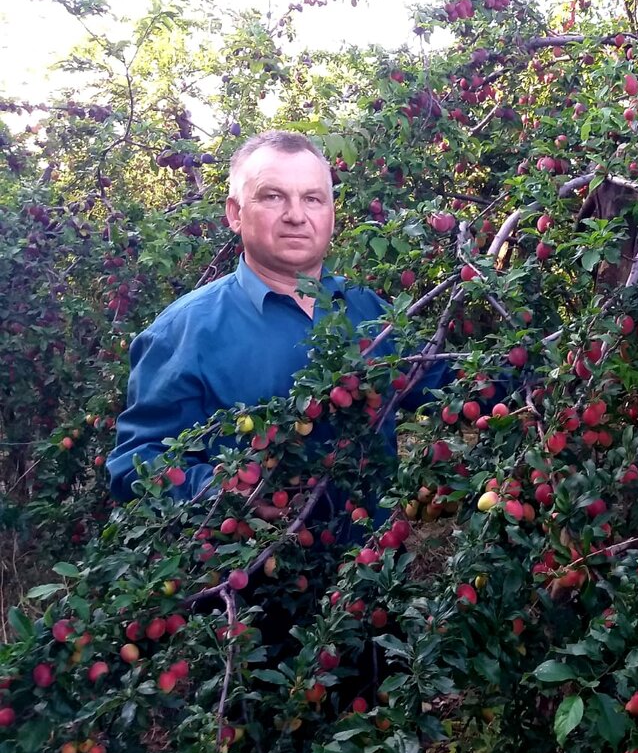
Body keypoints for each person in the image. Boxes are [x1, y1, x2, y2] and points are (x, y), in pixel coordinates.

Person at [107, 130, 449, 517]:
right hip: (254, 571)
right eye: (273, 197)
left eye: (313, 199)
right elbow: (135, 466)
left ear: (331, 214)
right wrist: (221, 494)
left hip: (375, 568)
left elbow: (446, 384)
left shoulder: (367, 309)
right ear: (235, 214)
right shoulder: (182, 333)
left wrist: (524, 370)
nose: (296, 215)